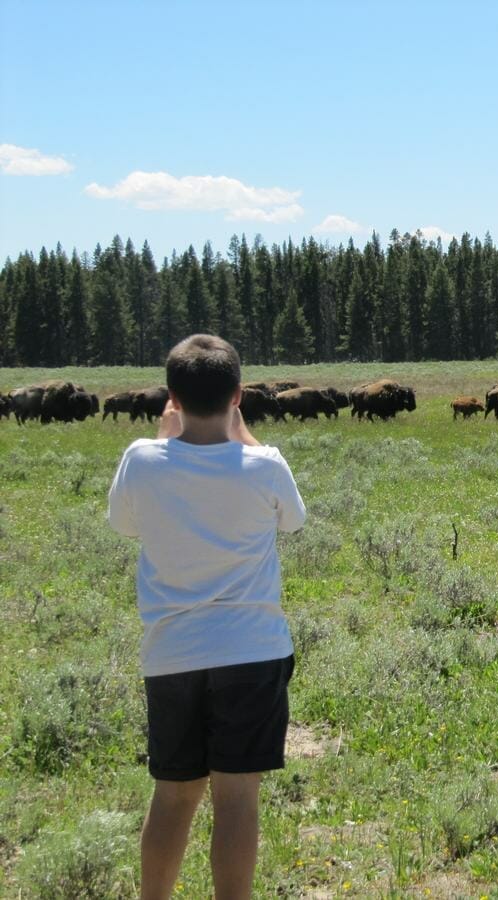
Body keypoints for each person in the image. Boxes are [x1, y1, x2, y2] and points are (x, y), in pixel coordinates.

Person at [107, 334, 306, 900]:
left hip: (172, 653)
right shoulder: (266, 465)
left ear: (170, 396)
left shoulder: (141, 459)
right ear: (238, 395)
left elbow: (123, 525)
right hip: (252, 650)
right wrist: (242, 435)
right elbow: (293, 522)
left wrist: (162, 439)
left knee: (172, 796)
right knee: (237, 797)